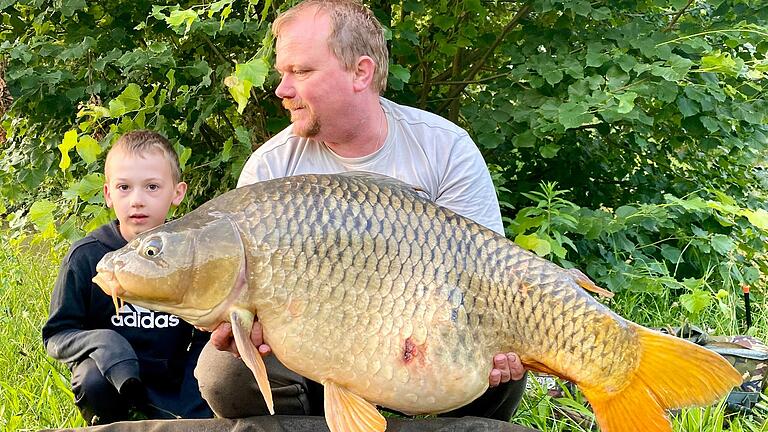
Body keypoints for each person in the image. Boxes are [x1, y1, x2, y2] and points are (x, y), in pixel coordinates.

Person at [195, 0, 527, 423]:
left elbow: (490, 276)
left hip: (425, 344)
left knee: (505, 350)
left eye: (301, 71)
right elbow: (245, 298)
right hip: (311, 349)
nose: (281, 89)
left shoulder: (444, 148)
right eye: (282, 73)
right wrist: (239, 326)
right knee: (224, 372)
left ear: (360, 73)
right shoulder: (272, 167)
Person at [42, 130, 213, 425]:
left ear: (177, 193)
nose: (137, 200)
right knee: (91, 378)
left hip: (175, 375)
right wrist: (105, 344)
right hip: (111, 376)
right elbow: (57, 335)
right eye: (124, 187)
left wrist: (191, 407)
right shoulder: (86, 257)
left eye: (152, 187)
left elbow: (206, 335)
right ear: (108, 194)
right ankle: (112, 422)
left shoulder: (193, 253)